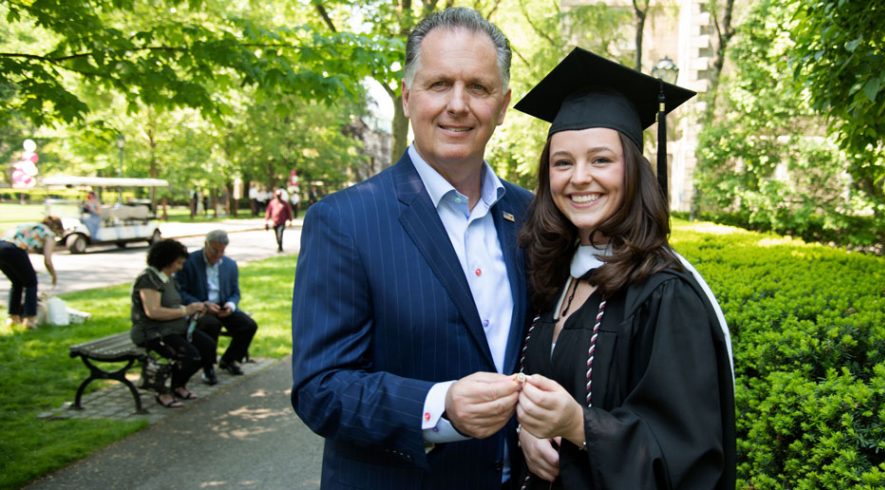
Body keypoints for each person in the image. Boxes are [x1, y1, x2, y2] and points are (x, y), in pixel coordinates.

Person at [291, 7, 533, 489]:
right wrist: (438, 405)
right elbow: (320, 387)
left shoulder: (532, 217)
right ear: (407, 96)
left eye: (479, 88)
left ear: (503, 105)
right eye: (439, 84)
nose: (458, 104)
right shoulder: (344, 220)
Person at [512, 48, 736, 489]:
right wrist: (527, 430)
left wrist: (578, 426)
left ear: (632, 170)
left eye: (600, 160)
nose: (579, 178)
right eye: (563, 162)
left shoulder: (665, 295)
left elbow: (688, 457)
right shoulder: (556, 276)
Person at [130, 239, 215, 408]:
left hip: (174, 328)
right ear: (166, 261)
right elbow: (153, 311)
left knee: (207, 348)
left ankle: (178, 385)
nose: (180, 267)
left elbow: (175, 304)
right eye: (178, 263)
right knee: (190, 355)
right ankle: (163, 391)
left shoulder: (169, 279)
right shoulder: (148, 279)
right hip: (153, 332)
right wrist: (186, 311)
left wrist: (198, 307)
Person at [176, 230, 258, 384]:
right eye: (214, 250)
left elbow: (235, 292)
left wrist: (230, 305)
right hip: (200, 307)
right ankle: (208, 367)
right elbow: (181, 292)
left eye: (222, 251)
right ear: (206, 244)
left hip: (222, 305)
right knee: (210, 325)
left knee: (248, 325)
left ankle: (229, 359)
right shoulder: (189, 262)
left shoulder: (230, 264)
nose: (218, 255)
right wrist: (203, 305)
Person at [0, 216, 62, 328]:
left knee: (17, 282)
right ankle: (30, 320)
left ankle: (13, 318)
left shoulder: (33, 226)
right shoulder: (48, 233)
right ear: (56, 227)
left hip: (2, 246)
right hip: (14, 249)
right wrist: (54, 276)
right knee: (31, 283)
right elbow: (47, 260)